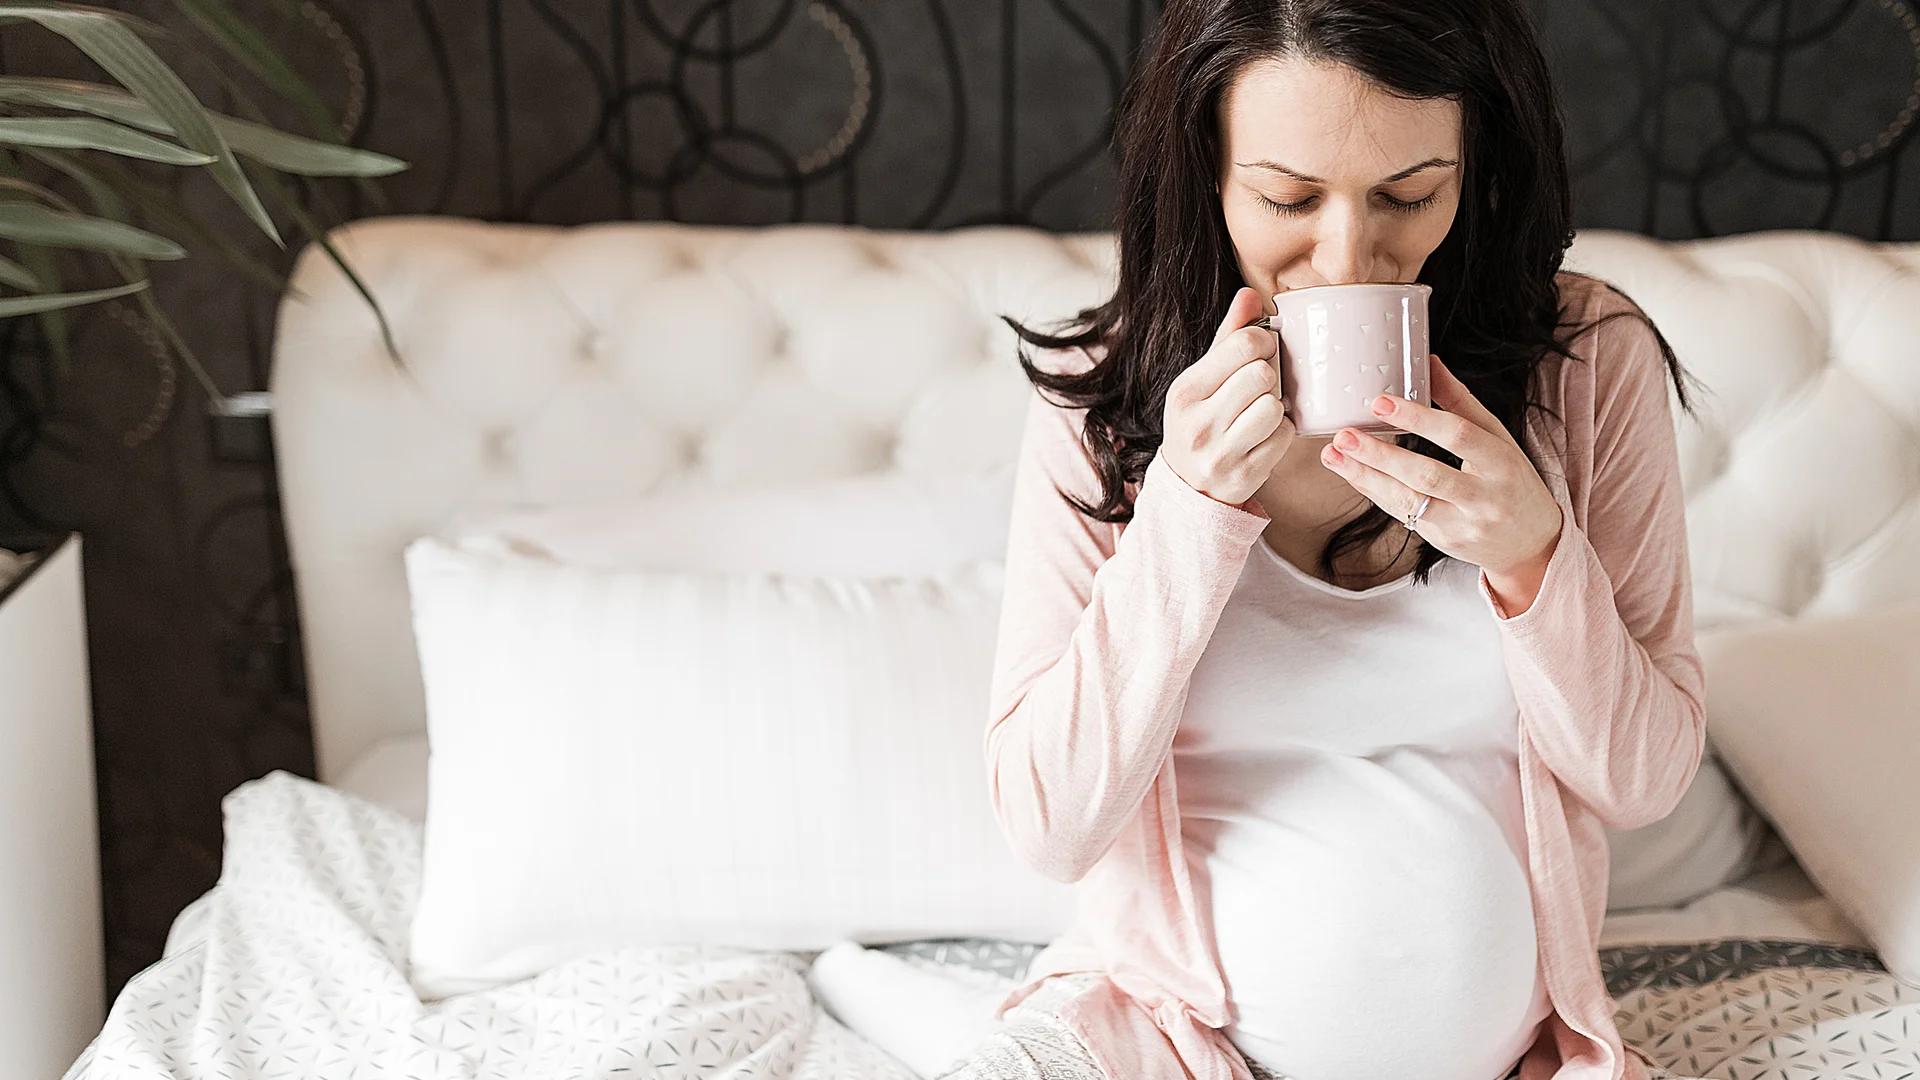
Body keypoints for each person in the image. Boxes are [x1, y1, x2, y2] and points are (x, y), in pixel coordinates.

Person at [934, 1, 1715, 1079]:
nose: (1352, 258)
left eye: (1409, 194)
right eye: (1287, 197)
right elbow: (1050, 825)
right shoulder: (1105, 408)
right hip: (1166, 1042)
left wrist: (1535, 555)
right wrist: (1188, 509)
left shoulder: (1585, 365)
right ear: (1205, 172)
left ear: (1476, 166)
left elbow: (1642, 781)